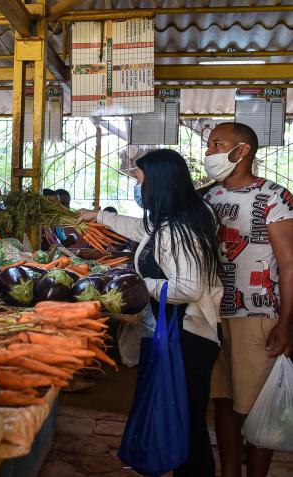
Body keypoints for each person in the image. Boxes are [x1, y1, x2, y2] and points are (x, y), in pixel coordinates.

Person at [79, 149, 223, 477]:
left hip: (189, 336)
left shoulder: (180, 228)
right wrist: (98, 215)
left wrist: (138, 284)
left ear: (158, 183)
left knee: (188, 422)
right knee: (181, 416)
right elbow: (143, 229)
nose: (139, 189)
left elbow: (188, 288)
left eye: (141, 182)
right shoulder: (178, 216)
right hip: (180, 331)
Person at [202, 122, 293, 477]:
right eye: (209, 145)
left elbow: (288, 264)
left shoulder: (275, 197)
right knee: (223, 400)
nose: (209, 152)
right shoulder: (208, 197)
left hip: (257, 314)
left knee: (257, 407)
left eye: (216, 144)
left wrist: (286, 324)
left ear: (241, 151)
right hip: (212, 315)